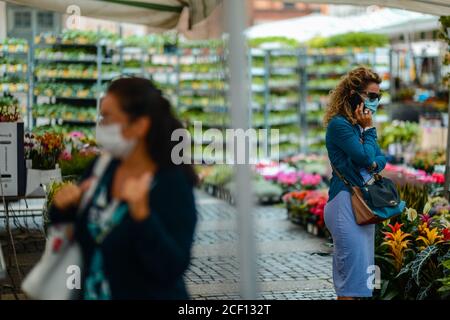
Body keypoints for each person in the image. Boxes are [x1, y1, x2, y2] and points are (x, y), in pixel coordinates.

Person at [49, 77, 198, 300]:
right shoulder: (102, 168)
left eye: (108, 117)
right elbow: (73, 229)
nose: (101, 125)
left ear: (139, 126)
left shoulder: (171, 183)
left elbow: (171, 267)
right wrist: (63, 207)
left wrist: (142, 216)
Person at [323, 67, 386, 300]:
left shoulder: (360, 126)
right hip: (346, 204)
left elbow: (380, 159)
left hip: (363, 205)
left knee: (363, 276)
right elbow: (367, 158)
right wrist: (369, 133)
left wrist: (371, 161)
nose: (375, 101)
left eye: (378, 96)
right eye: (371, 96)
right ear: (352, 94)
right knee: (350, 279)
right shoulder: (339, 126)